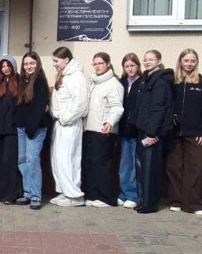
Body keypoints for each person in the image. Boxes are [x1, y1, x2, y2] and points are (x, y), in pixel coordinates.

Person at [165, 49, 202, 215]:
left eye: (192, 61)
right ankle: (176, 201)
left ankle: (192, 204)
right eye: (186, 60)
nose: (189, 64)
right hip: (173, 132)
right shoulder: (172, 81)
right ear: (180, 61)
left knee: (194, 167)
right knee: (174, 167)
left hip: (194, 133)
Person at [130, 50, 174, 214]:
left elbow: (158, 109)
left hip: (151, 133)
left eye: (151, 59)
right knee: (142, 168)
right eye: (146, 59)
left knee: (149, 170)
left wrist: (151, 133)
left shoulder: (160, 82)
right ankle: (143, 201)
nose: (147, 62)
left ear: (159, 61)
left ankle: (149, 203)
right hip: (143, 129)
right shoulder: (146, 80)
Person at [82, 53, 125, 208]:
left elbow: (117, 107)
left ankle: (106, 197)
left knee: (102, 164)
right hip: (90, 128)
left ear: (108, 64)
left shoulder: (114, 84)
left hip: (104, 130)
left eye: (100, 63)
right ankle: (93, 194)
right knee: (90, 163)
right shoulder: (94, 82)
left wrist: (109, 122)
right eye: (95, 64)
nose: (97, 66)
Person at [49, 47, 88, 207]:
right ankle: (64, 191)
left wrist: (64, 118)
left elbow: (80, 105)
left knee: (68, 159)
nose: (54, 64)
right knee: (58, 159)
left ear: (66, 60)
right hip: (60, 124)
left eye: (56, 61)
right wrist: (55, 113)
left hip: (70, 125)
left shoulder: (77, 77)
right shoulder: (64, 76)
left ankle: (74, 195)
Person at [15, 52, 50, 210]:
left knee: (33, 160)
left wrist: (31, 127)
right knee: (22, 160)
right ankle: (28, 192)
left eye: (32, 63)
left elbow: (39, 106)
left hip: (35, 128)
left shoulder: (40, 80)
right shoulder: (23, 81)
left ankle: (36, 196)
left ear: (37, 64)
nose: (29, 66)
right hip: (22, 127)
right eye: (26, 64)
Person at [0, 55, 20, 204]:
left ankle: (11, 195)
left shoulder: (19, 83)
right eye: (3, 66)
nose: (6, 69)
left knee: (9, 162)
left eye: (8, 65)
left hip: (12, 130)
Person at [118, 53, 142, 208]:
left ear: (138, 66)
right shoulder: (121, 83)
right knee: (124, 163)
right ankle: (123, 193)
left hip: (136, 129)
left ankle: (133, 195)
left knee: (134, 164)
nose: (130, 69)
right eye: (127, 66)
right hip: (123, 129)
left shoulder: (142, 82)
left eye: (132, 65)